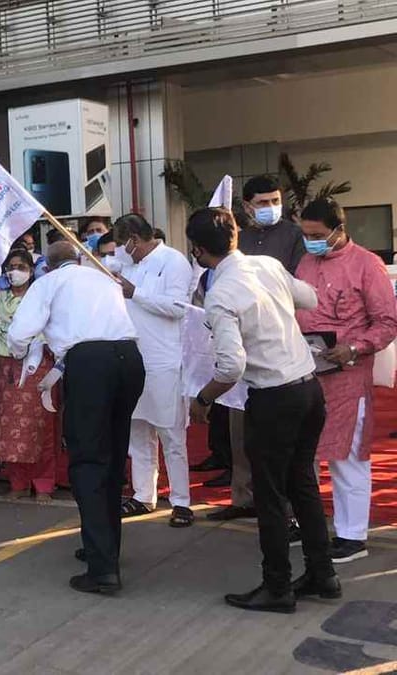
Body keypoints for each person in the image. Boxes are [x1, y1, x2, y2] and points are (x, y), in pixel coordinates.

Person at [187, 207, 336, 613]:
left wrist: (203, 399)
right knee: (302, 483)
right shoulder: (267, 265)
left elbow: (230, 366)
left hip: (274, 397)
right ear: (235, 235)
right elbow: (310, 298)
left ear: (198, 250)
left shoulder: (221, 294)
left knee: (270, 496)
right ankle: (322, 573)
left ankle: (277, 586)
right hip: (308, 387)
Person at [9, 241, 143, 594]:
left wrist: (20, 351)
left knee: (88, 462)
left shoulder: (48, 283)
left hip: (90, 364)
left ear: (48, 266)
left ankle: (102, 570)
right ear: (78, 259)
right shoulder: (102, 277)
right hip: (129, 358)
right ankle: (106, 548)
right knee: (112, 457)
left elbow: (19, 334)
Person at [296, 199, 397, 564]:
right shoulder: (306, 263)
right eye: (306, 235)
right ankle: (307, 523)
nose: (311, 242)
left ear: (339, 230)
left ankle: (352, 536)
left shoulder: (367, 264)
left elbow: (387, 322)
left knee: (348, 454)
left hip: (348, 373)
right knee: (303, 451)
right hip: (308, 371)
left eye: (318, 235)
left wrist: (354, 348)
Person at [205, 176, 305, 539]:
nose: (270, 207)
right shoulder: (240, 240)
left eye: (274, 200)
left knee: (283, 445)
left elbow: (302, 291)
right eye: (262, 202)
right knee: (240, 430)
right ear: (247, 206)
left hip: (279, 345)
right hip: (240, 341)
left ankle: (291, 513)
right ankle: (244, 496)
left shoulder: (293, 236)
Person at [112, 214, 193, 526]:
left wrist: (136, 293)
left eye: (122, 243)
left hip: (164, 361)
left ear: (134, 239)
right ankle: (143, 495)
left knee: (171, 434)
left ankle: (181, 502)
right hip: (132, 359)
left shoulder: (173, 261)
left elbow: (177, 308)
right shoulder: (127, 265)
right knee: (138, 431)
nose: (120, 250)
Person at [0, 248, 59, 502]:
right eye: (11, 267)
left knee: (40, 428)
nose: (15, 272)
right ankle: (18, 483)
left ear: (31, 270)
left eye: (21, 267)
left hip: (37, 369)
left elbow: (52, 329)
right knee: (10, 430)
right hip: (7, 372)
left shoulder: (40, 298)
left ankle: (43, 485)